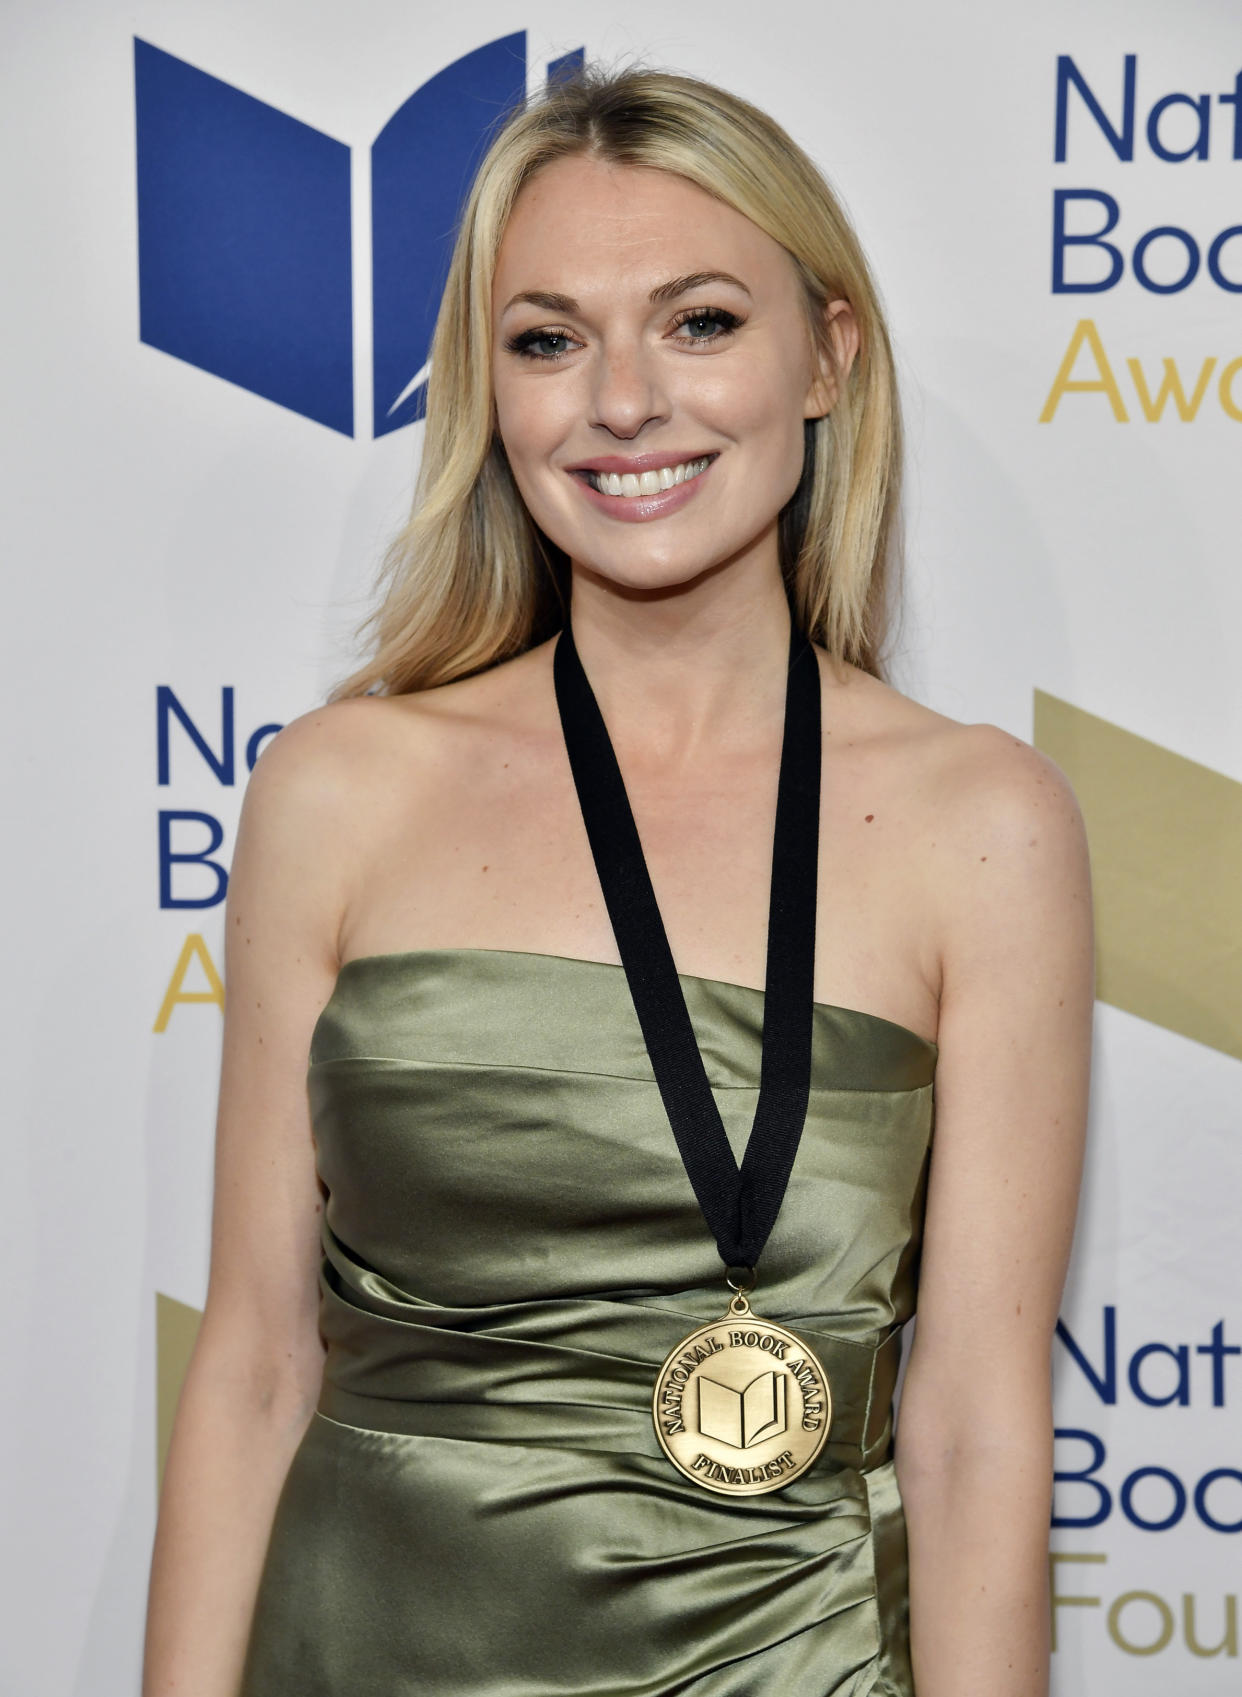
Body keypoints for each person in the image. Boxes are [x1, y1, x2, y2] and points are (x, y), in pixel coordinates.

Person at [142, 63, 1093, 1697]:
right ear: (488, 393)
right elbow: (249, 1362)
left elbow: (975, 1423)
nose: (624, 401)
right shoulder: (336, 789)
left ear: (828, 355)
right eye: (548, 338)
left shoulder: (981, 820)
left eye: (701, 321)